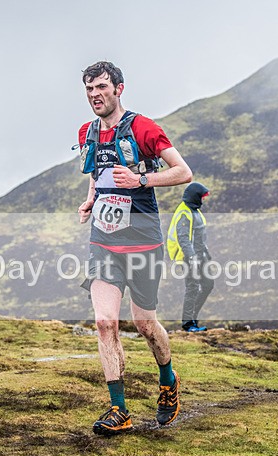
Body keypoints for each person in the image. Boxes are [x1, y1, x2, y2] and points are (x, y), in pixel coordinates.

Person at [76, 61, 192, 436]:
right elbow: (98, 174)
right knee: (105, 322)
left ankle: (167, 379)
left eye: (102, 87)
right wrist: (91, 199)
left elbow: (183, 172)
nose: (96, 94)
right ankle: (118, 409)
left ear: (119, 88)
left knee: (144, 323)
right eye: (90, 89)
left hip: (143, 242)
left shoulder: (144, 128)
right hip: (104, 243)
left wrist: (143, 179)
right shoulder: (87, 132)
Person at [167, 182, 214, 332]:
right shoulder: (184, 213)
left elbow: (200, 237)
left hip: (201, 256)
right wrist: (192, 258)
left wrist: (206, 254)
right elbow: (183, 239)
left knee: (207, 285)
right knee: (192, 287)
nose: (204, 200)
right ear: (195, 197)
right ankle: (188, 324)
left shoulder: (195, 211)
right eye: (202, 197)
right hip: (188, 257)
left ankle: (193, 317)